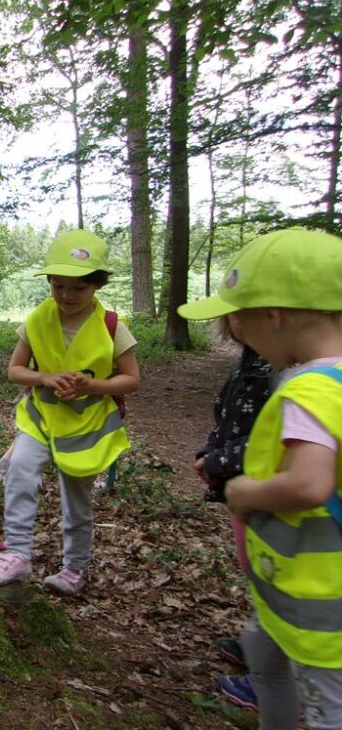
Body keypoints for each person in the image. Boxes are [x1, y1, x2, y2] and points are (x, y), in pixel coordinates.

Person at [178, 228, 342, 730]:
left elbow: (309, 486)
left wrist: (245, 491)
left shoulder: (309, 391)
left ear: (272, 316)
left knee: (327, 709)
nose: (238, 334)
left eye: (240, 320)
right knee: (265, 656)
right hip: (295, 593)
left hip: (321, 602)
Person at [0, 230, 140, 596]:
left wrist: (91, 386)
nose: (67, 296)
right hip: (41, 418)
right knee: (20, 470)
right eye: (58, 286)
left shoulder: (112, 327)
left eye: (78, 288)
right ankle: (19, 552)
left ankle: (75, 569)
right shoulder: (37, 320)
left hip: (85, 426)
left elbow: (131, 379)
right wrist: (46, 377)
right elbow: (14, 371)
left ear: (97, 286)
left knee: (77, 498)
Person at [193, 317, 275, 711]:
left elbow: (272, 437)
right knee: (254, 564)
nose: (234, 323)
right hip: (239, 482)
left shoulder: (290, 372)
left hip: (266, 489)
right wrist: (209, 453)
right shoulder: (249, 360)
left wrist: (220, 459)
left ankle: (268, 670)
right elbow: (227, 412)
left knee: (272, 573)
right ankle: (258, 648)